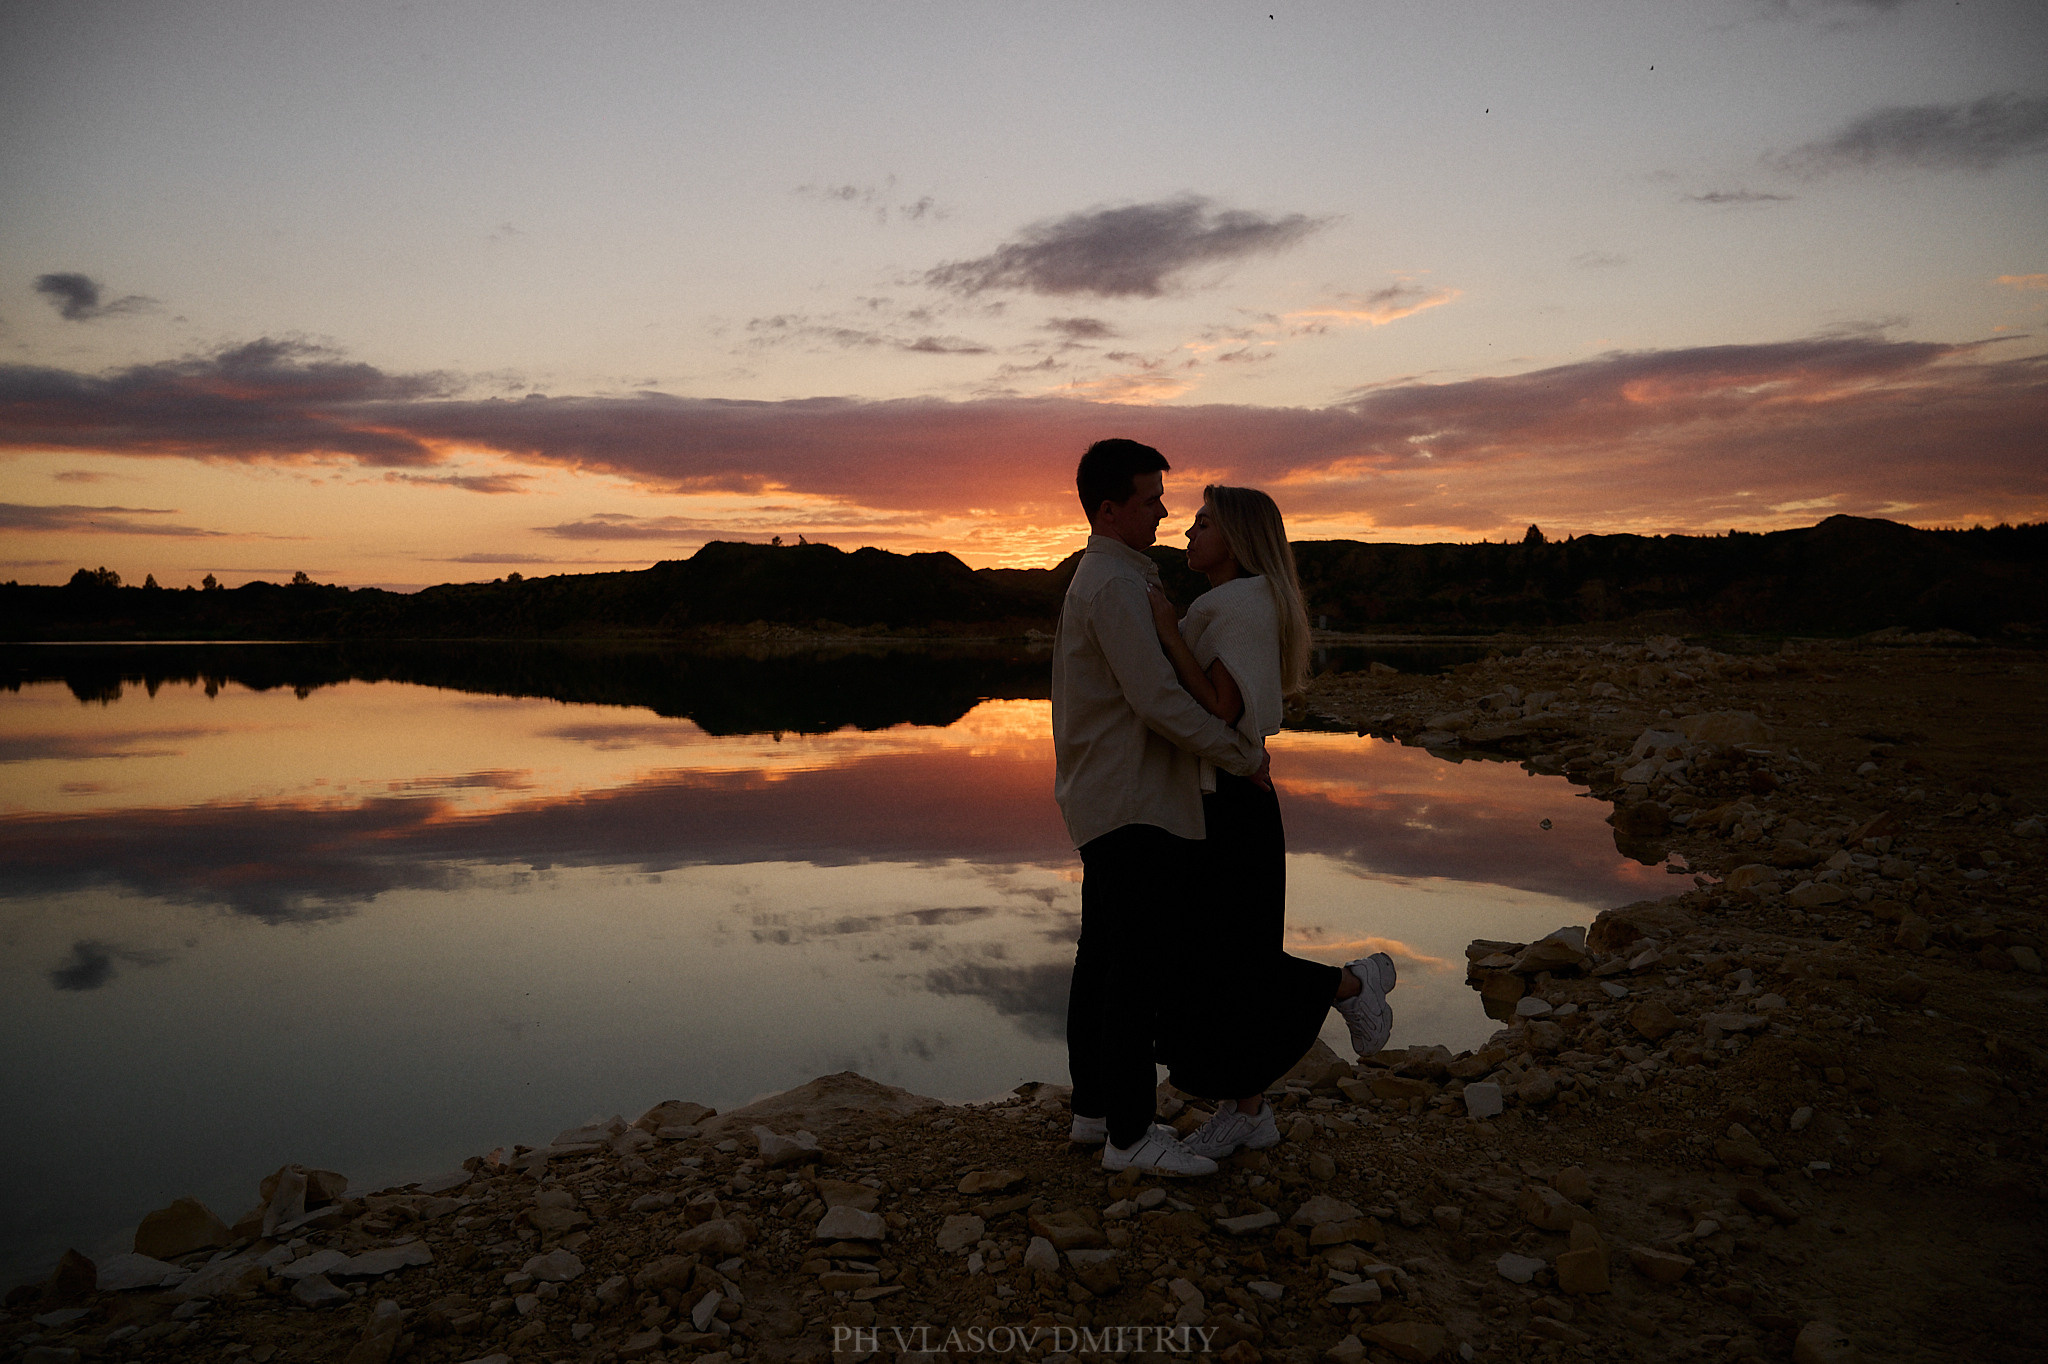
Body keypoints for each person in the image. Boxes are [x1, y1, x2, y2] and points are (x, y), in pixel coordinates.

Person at [1144, 485, 1397, 1160]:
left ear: (1239, 537)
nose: (1188, 533)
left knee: (1226, 959)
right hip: (1222, 794)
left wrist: (1167, 631)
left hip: (1229, 799)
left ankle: (1352, 984)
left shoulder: (1239, 603)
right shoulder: (1239, 601)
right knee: (1216, 961)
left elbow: (1228, 708)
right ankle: (1247, 1110)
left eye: (1204, 524)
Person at [1053, 439, 1269, 1177]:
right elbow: (1155, 700)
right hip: (1132, 798)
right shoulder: (1113, 586)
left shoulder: (1114, 576)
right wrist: (1243, 756)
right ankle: (1130, 1136)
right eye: (1151, 499)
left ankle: (1094, 1114)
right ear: (1109, 510)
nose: (1166, 510)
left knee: (1104, 959)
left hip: (1109, 794)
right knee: (1133, 972)